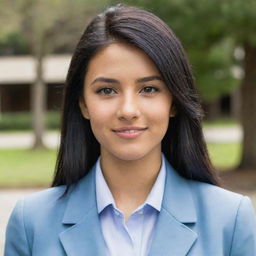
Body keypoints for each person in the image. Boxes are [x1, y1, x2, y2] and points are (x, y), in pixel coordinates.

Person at [4, 4, 256, 256]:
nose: (127, 110)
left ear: (174, 102)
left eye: (149, 89)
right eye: (106, 90)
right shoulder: (31, 224)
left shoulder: (230, 220)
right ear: (83, 103)